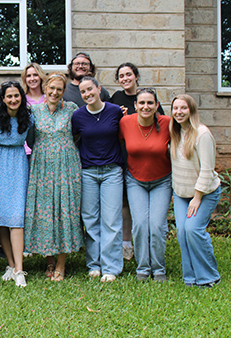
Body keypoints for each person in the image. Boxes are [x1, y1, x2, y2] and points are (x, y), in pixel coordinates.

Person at [25, 73, 84, 282]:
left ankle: (61, 263)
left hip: (67, 166)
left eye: (59, 89)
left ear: (63, 91)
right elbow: (30, 138)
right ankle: (49, 258)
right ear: (45, 87)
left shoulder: (71, 109)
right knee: (46, 210)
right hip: (41, 165)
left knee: (64, 210)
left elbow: (78, 132)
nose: (54, 92)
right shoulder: (34, 110)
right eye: (51, 88)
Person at [111, 63, 165, 261]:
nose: (125, 78)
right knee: (126, 202)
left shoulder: (147, 98)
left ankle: (150, 244)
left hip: (149, 157)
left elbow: (163, 124)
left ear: (136, 76)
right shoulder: (116, 98)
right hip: (125, 153)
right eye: (121, 76)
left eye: (128, 75)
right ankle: (127, 244)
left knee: (149, 210)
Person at [72, 76, 124, 282]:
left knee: (111, 220)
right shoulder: (77, 116)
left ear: (98, 89)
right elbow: (73, 139)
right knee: (90, 219)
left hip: (112, 171)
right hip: (88, 172)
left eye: (90, 90)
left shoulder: (115, 111)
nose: (87, 94)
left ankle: (111, 267)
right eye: (83, 92)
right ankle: (94, 265)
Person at [0, 81, 34, 287]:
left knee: (16, 217)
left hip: (18, 165)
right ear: (2, 99)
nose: (13, 100)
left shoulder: (28, 118)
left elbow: (31, 141)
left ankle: (20, 270)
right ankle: (11, 265)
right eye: (9, 96)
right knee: (1, 218)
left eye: (16, 96)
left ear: (21, 97)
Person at [119, 88, 171, 282]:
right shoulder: (125, 122)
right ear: (135, 105)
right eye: (142, 103)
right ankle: (143, 267)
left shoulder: (167, 123)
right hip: (135, 180)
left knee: (157, 225)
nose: (146, 107)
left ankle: (158, 269)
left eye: (150, 103)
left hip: (162, 180)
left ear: (157, 105)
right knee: (140, 224)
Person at [170, 94, 221, 288]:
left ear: (192, 110)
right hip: (182, 194)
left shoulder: (202, 134)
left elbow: (208, 170)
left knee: (193, 230)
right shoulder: (176, 132)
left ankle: (209, 276)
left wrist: (197, 197)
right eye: (175, 108)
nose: (179, 112)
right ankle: (191, 278)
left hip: (204, 192)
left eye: (183, 108)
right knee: (182, 232)